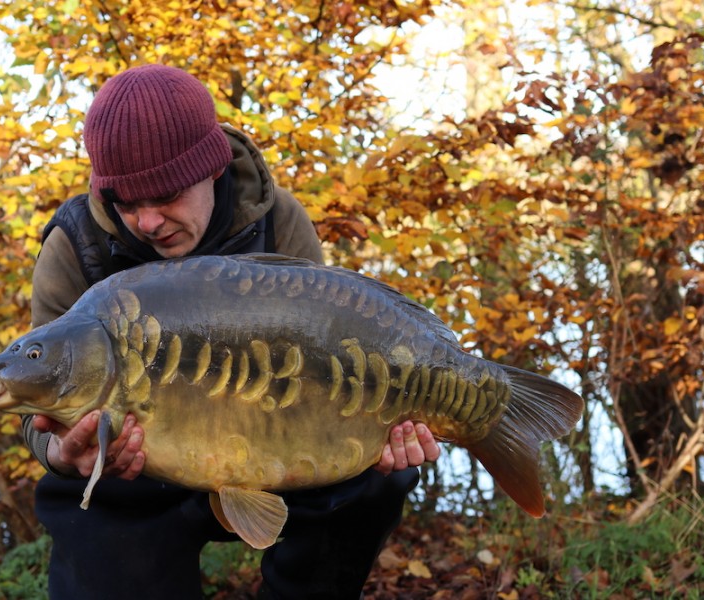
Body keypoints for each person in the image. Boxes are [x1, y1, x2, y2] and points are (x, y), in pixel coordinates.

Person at [22, 64, 441, 599]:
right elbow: (39, 400)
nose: (147, 222)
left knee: (373, 480)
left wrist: (381, 428)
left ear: (212, 168)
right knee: (83, 508)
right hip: (136, 475)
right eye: (127, 203)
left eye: (166, 194)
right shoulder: (75, 247)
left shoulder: (277, 220)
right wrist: (61, 453)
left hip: (276, 451)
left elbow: (331, 362)